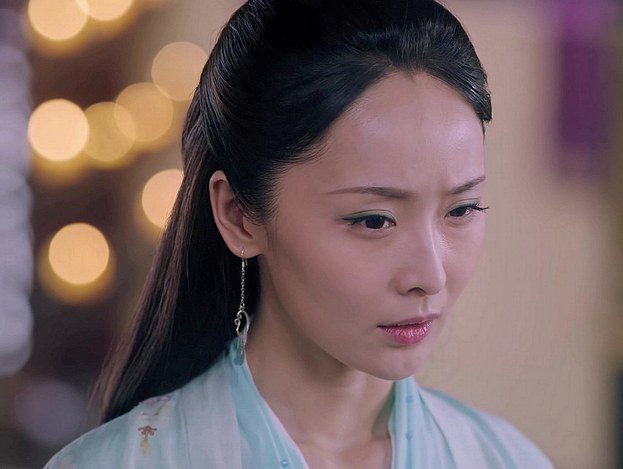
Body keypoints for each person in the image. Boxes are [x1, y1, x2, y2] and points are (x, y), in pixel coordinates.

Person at [46, 0, 553, 467]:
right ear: (239, 215)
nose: (430, 276)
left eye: (462, 209)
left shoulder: (504, 459)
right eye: (374, 220)